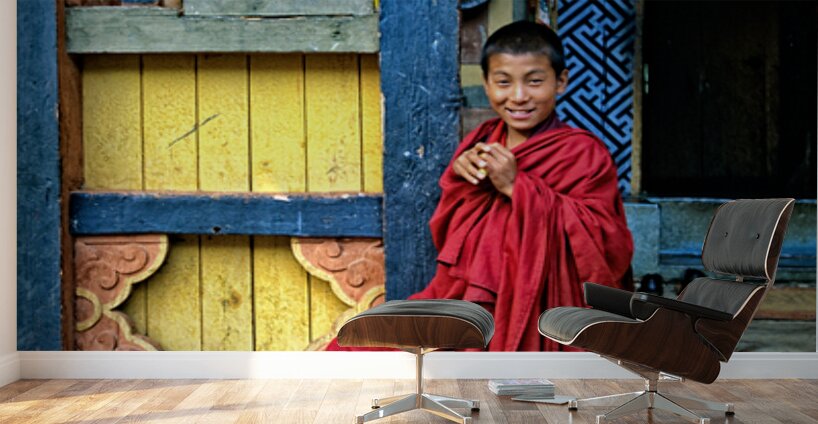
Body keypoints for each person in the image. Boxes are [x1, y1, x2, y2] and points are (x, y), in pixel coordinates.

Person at [406, 20, 634, 351]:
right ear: (486, 84)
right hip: (474, 296)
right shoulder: (482, 141)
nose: (518, 96)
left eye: (535, 81)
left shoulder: (583, 153)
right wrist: (460, 178)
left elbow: (607, 245)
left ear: (561, 81)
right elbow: (450, 230)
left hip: (548, 306)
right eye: (503, 82)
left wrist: (518, 187)